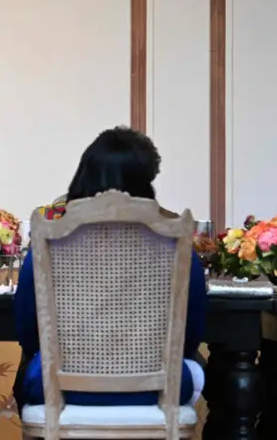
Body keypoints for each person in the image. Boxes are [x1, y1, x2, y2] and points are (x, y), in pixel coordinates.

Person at [12, 126, 208, 411]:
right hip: (157, 389)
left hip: (57, 388)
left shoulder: (50, 242)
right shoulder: (176, 245)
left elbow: (28, 330)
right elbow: (190, 331)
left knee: (30, 369)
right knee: (196, 368)